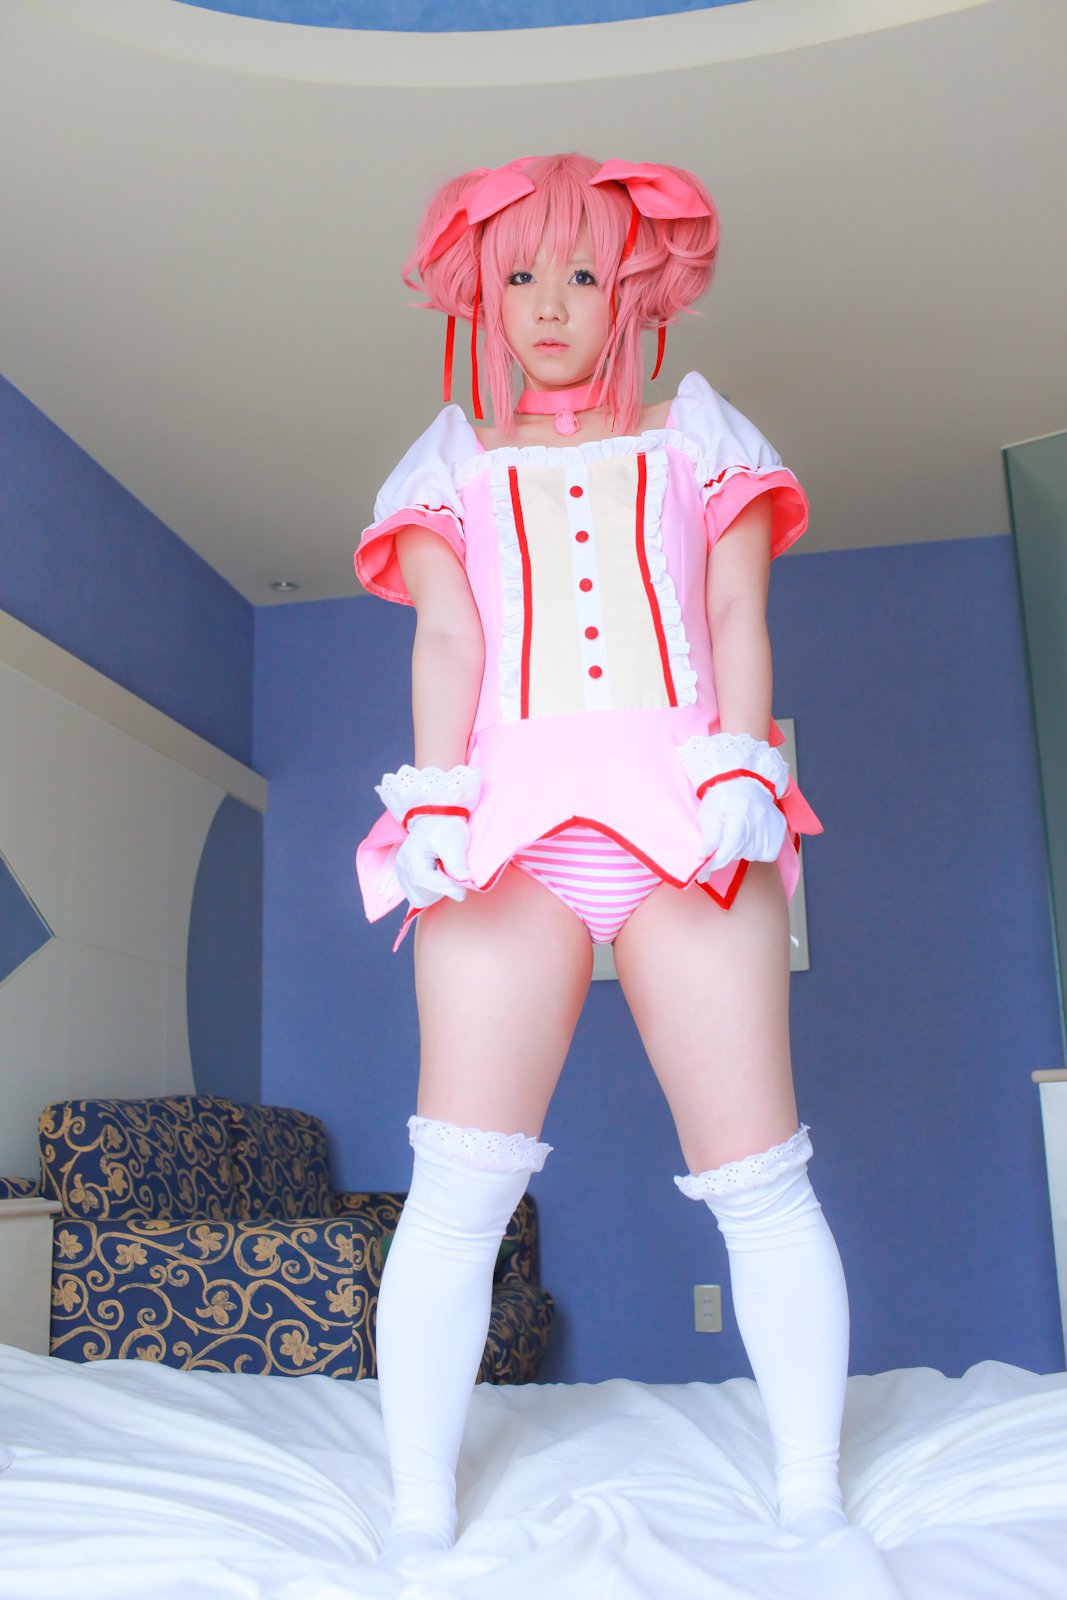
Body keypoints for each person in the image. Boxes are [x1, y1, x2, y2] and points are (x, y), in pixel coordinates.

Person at [354, 153, 849, 1565]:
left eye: (584, 271)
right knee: (457, 1191)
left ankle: (811, 1494)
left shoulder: (702, 439)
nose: (551, 304)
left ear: (637, 287)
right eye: (521, 275)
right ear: (483, 295)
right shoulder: (450, 464)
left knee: (762, 1179)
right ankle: (417, 1513)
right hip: (505, 837)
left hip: (689, 823)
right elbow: (447, 638)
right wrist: (435, 801)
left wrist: (743, 760)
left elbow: (738, 611)